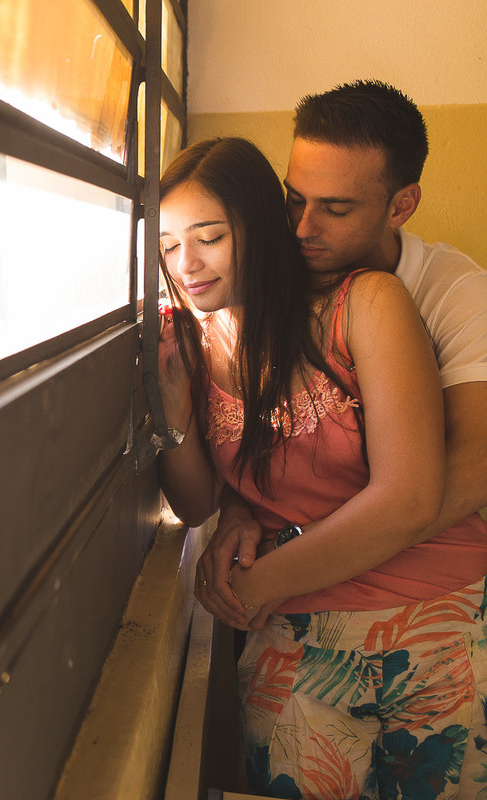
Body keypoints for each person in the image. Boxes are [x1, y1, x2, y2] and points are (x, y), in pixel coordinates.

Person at [156, 136, 487, 798]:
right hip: (291, 628)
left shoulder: (368, 304)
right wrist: (170, 408)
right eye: (166, 246)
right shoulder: (194, 337)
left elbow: (412, 497)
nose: (186, 264)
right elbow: (196, 504)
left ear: (259, 224)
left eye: (209, 237)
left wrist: (252, 588)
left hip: (429, 618)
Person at [195, 80, 487, 632]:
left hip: (426, 601)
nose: (303, 228)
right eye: (295, 198)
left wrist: (288, 544)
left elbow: (474, 467)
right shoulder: (263, 276)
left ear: (403, 205)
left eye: (335, 208)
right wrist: (241, 507)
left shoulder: (456, 292)